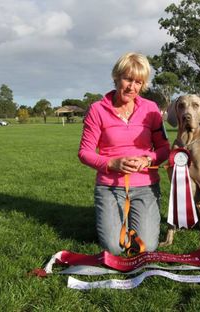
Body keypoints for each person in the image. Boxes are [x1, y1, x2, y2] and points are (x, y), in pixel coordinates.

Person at [78, 52, 170, 255]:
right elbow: (84, 152)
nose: (132, 87)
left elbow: (165, 149)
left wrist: (148, 159)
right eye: (128, 79)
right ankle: (116, 219)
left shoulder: (151, 109)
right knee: (113, 247)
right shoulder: (97, 110)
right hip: (110, 187)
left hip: (146, 187)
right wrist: (112, 164)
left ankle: (128, 219)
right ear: (117, 77)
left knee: (146, 247)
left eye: (138, 82)